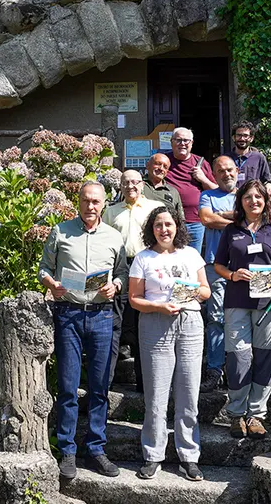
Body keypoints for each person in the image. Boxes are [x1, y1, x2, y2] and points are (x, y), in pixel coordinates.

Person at [38, 181, 128, 480]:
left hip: (102, 316)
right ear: (78, 201)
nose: (91, 206)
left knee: (100, 387)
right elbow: (44, 269)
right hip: (69, 315)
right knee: (67, 387)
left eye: (96, 202)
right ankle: (67, 450)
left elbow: (121, 273)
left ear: (104, 204)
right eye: (86, 201)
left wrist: (115, 285)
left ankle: (96, 449)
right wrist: (52, 285)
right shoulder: (61, 231)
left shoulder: (114, 237)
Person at [129, 205, 210, 482]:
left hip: (189, 323)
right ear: (151, 229)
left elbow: (206, 291)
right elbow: (134, 299)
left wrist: (190, 293)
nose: (164, 229)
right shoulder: (143, 258)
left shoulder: (191, 254)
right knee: (156, 393)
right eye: (158, 225)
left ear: (178, 227)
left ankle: (189, 455)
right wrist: (159, 307)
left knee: (188, 391)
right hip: (155, 323)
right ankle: (153, 455)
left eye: (169, 224)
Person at [213, 179, 271, 440]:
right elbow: (218, 265)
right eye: (248, 197)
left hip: (270, 304)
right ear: (240, 201)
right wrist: (232, 275)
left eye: (258, 197)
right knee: (238, 358)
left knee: (264, 359)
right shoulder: (231, 231)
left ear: (266, 200)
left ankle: (256, 416)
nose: (254, 201)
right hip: (237, 302)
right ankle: (237, 414)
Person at [103, 170, 164, 392]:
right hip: (119, 267)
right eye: (126, 182)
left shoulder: (154, 209)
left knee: (143, 324)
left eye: (135, 182)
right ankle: (105, 383)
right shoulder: (110, 211)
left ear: (142, 184)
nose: (131, 186)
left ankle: (144, 383)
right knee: (115, 322)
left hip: (146, 266)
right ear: (120, 185)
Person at [197, 156, 238, 393]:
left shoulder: (247, 194)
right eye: (220, 171)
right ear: (214, 174)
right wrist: (237, 217)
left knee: (246, 317)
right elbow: (206, 218)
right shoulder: (208, 196)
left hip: (245, 266)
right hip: (216, 265)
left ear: (237, 170)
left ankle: (239, 369)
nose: (226, 174)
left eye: (229, 169)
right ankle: (215, 370)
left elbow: (255, 218)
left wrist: (223, 217)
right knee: (216, 318)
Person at [164, 127, 217, 253]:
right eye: (178, 140)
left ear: (192, 143)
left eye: (186, 140)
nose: (182, 144)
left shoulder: (201, 163)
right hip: (169, 221)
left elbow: (215, 191)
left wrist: (203, 179)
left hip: (195, 222)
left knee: (193, 259)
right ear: (171, 142)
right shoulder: (164, 161)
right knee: (170, 259)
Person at [230, 121, 271, 194]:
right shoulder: (226, 159)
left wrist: (269, 185)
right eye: (239, 135)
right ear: (234, 137)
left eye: (245, 135)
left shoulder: (259, 157)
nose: (242, 138)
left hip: (252, 199)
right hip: (230, 197)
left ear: (251, 138)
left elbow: (267, 180)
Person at [143, 153, 184, 218]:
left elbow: (180, 219)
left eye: (165, 167)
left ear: (167, 171)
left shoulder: (173, 192)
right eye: (158, 164)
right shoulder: (137, 185)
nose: (161, 168)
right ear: (147, 165)